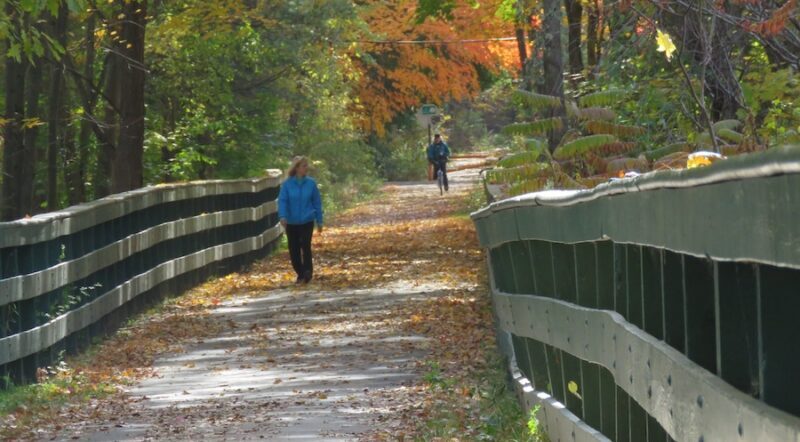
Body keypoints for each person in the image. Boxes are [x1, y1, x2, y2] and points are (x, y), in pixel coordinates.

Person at [278, 156, 323, 284]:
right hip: (291, 222)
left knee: (305, 245)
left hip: (307, 220)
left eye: (306, 165)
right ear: (297, 168)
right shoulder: (287, 184)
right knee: (294, 249)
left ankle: (308, 272)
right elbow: (283, 201)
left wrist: (319, 220)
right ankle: (300, 272)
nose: (306, 168)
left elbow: (317, 202)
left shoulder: (311, 183)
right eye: (304, 166)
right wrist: (283, 216)